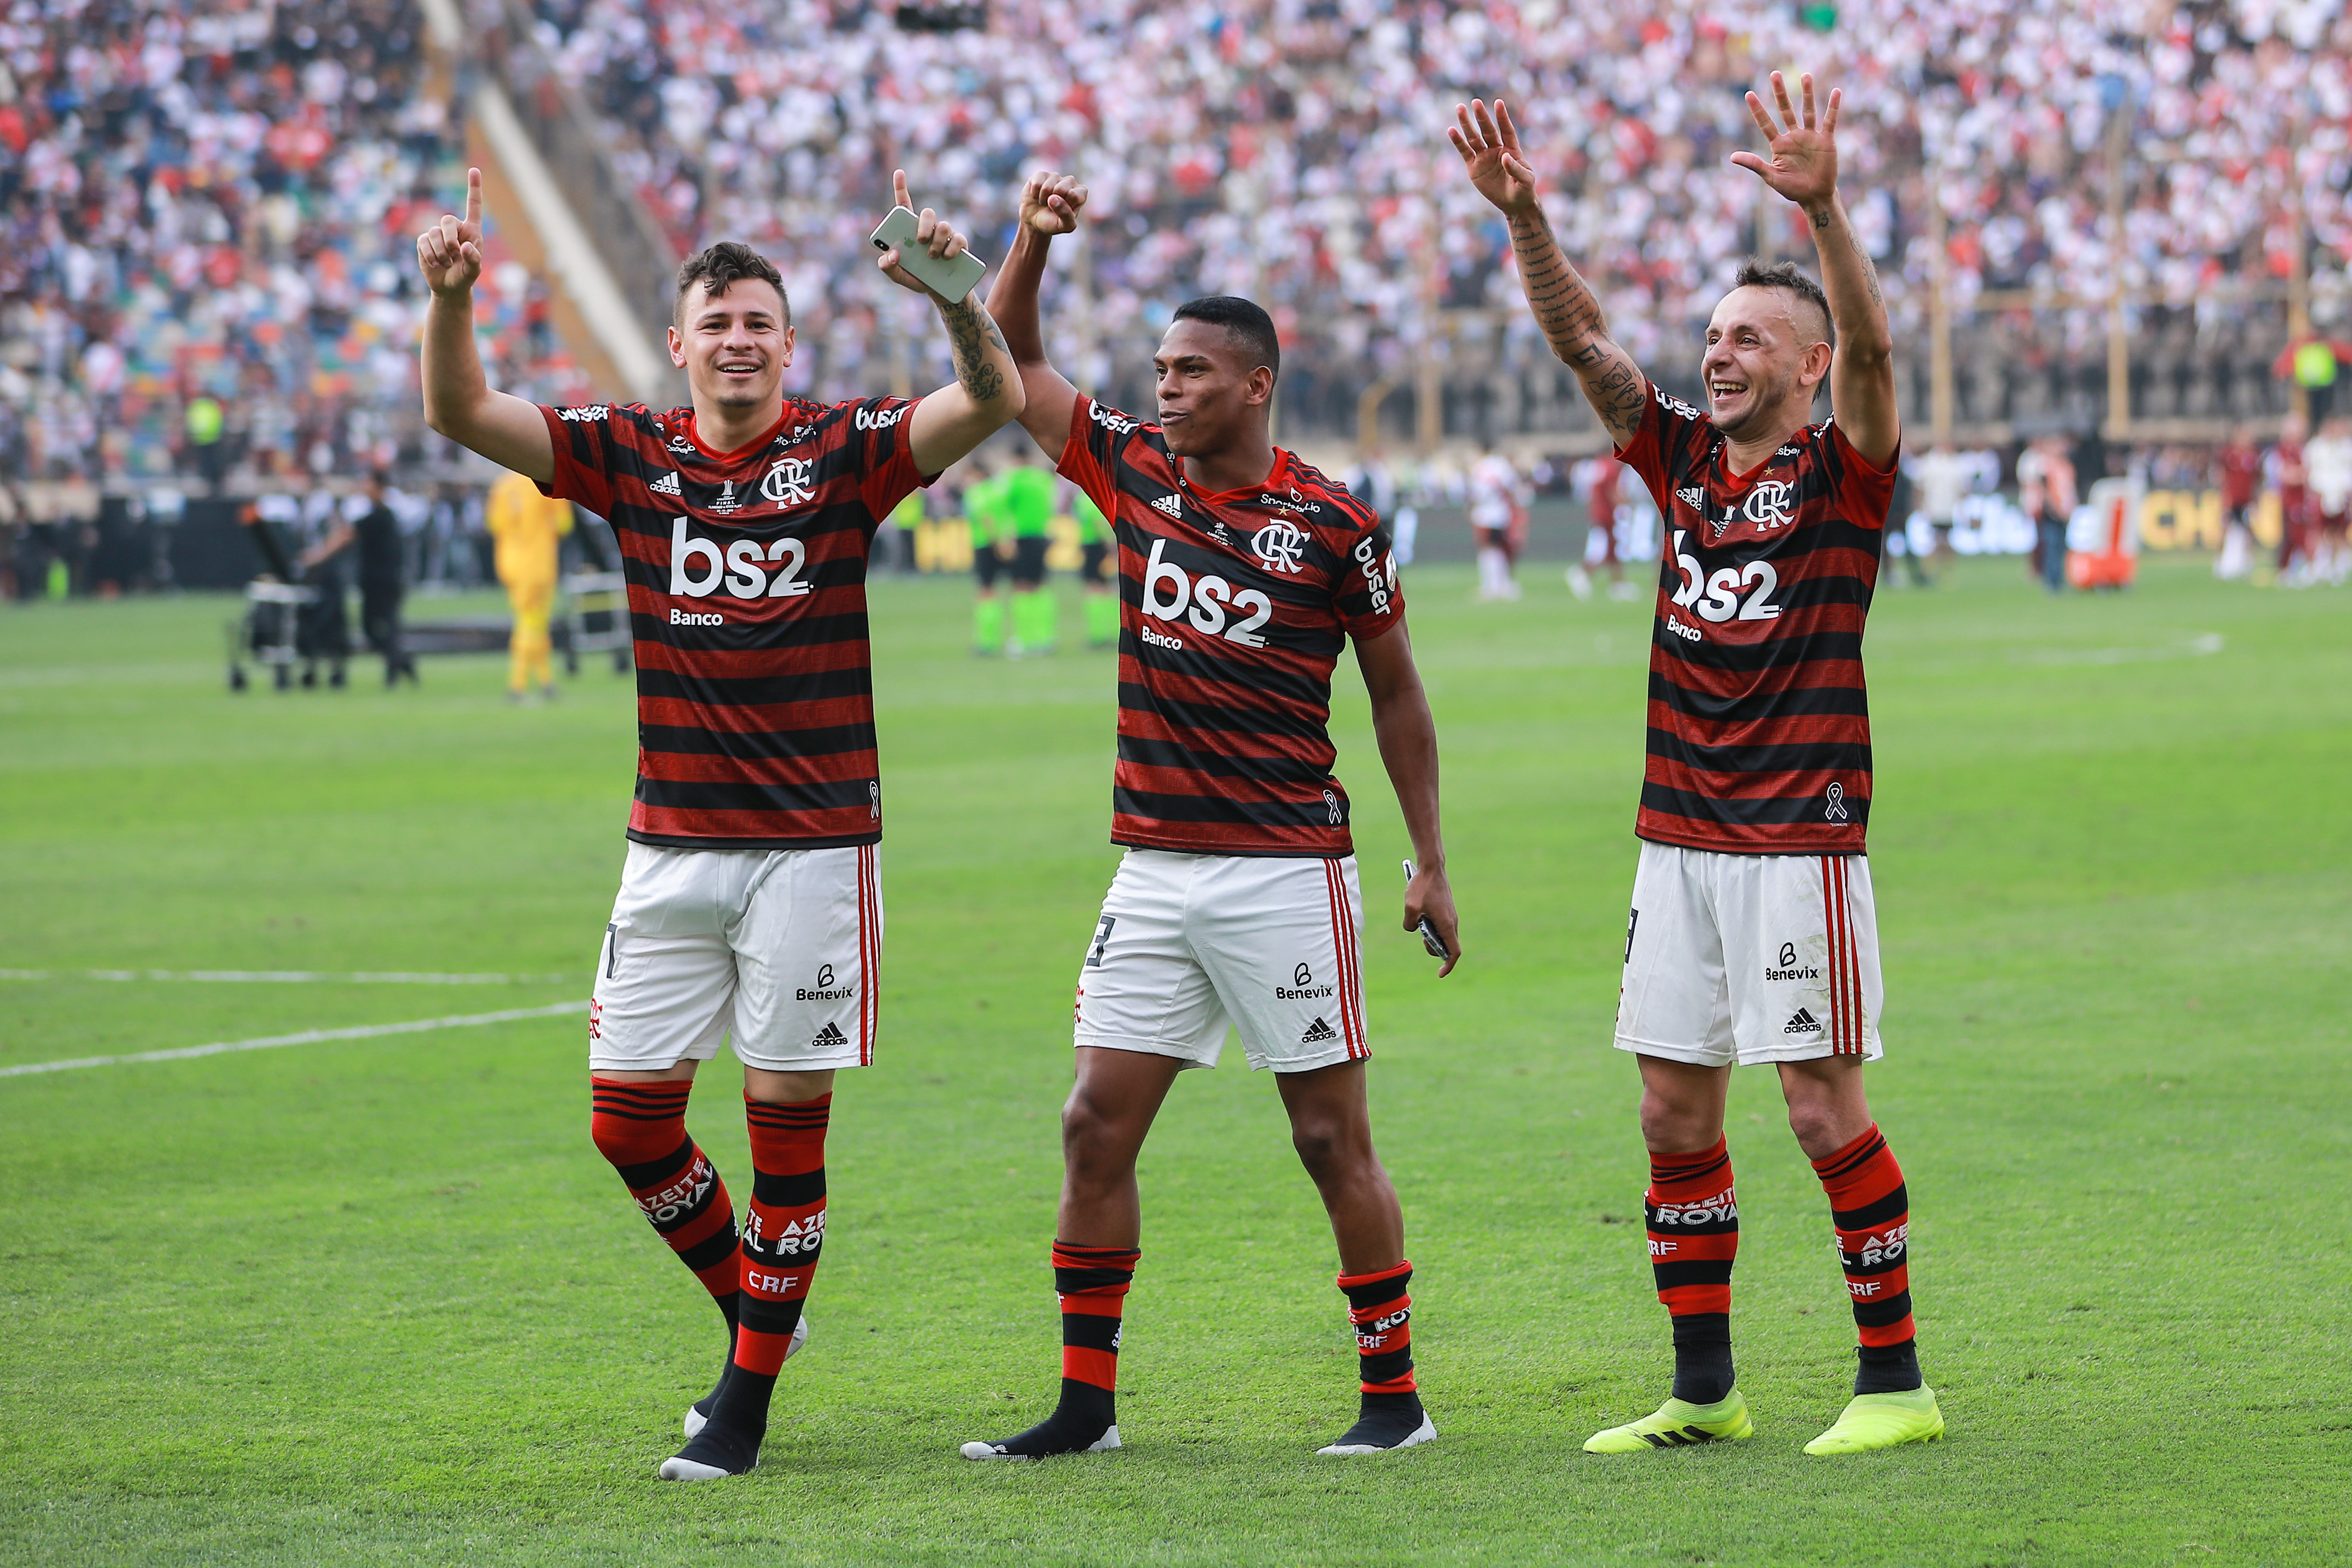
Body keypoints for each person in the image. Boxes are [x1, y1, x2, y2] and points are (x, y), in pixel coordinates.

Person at [415, 166, 1022, 1480]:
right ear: (678, 343)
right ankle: (762, 1315)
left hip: (812, 844)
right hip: (667, 841)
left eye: (760, 322)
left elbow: (992, 399)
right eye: (717, 322)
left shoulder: (846, 449)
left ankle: (740, 1408)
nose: (738, 340)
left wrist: (953, 297)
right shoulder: (628, 453)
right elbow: (458, 407)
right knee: (626, 1121)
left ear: (786, 346)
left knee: (779, 1122)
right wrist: (452, 300)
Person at [1456, 78, 1942, 1456]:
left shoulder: (1843, 475)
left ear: (1805, 366)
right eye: (1713, 335)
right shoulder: (1680, 465)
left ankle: (1895, 1385)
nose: (1717, 355)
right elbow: (1583, 342)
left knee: (1814, 1101)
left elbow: (1881, 362)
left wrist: (1824, 209)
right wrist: (1526, 218)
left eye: (1748, 341)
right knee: (1673, 1104)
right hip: (1676, 839)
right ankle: (1704, 1388)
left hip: (1798, 834)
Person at [962, 169, 1462, 1462]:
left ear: (1252, 383)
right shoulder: (1130, 471)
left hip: (1285, 871)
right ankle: (1084, 1405)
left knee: (1324, 1135)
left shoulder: (1332, 523)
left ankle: (1392, 1401)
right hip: (1152, 871)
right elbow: (1012, 357)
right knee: (1090, 1122)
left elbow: (1397, 694)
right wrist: (1030, 240)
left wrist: (1427, 858)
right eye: (1157, 367)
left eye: (1188, 369)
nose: (1164, 385)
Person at [307, 470, 419, 686]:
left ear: (379, 488)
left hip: (379, 581)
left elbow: (345, 536)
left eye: (368, 484)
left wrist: (316, 557)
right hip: (387, 580)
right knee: (388, 627)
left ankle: (399, 662)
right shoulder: (384, 514)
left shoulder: (378, 516)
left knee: (373, 628)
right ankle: (398, 665)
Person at [485, 468, 572, 701]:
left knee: (533, 622)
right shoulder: (547, 484)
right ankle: (518, 684)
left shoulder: (502, 486)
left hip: (510, 563)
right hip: (539, 564)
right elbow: (564, 524)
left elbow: (495, 524)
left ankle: (546, 681)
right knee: (531, 623)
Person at [999, 456, 1059, 656]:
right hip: (1041, 536)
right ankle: (1044, 639)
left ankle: (1024, 639)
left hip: (1022, 537)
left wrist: (1007, 536)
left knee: (1021, 587)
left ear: (1016, 460)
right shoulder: (1044, 479)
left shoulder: (1014, 479)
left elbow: (1004, 508)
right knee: (1040, 586)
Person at [1568, 453, 1633, 600]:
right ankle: (1582, 573)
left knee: (1612, 549)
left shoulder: (1599, 465)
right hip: (1604, 515)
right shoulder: (1609, 466)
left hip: (1599, 513)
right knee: (1600, 551)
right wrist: (1622, 504)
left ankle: (1618, 584)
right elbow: (1611, 490)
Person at [963, 456, 1011, 653]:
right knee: (1014, 589)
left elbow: (986, 519)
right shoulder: (998, 491)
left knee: (986, 592)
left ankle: (988, 641)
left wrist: (997, 541)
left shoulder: (977, 493)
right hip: (1003, 542)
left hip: (986, 544)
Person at [2016, 436, 2076, 594]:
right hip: (2051, 512)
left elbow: (2069, 490)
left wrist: (2070, 509)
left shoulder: (2066, 466)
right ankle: (2051, 581)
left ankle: (2060, 579)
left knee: (2062, 547)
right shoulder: (2045, 467)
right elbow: (2043, 489)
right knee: (2051, 545)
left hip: (2064, 512)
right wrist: (2054, 508)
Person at [1469, 442, 1524, 600]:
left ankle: (1491, 586)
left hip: (1484, 514)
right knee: (1501, 549)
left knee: (1487, 550)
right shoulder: (1502, 465)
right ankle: (1503, 584)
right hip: (1501, 513)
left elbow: (1475, 493)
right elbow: (1512, 488)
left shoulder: (1479, 467)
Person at [2301, 414, 2351, 586]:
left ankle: (2335, 567)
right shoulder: (2315, 447)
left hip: (2339, 495)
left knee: (2338, 532)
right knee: (2317, 531)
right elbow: (2308, 471)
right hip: (2321, 494)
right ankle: (2315, 565)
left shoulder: (2345, 447)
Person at [2270, 414, 2313, 586]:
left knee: (2302, 533)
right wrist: (2301, 474)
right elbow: (2285, 474)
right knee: (2292, 534)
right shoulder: (2283, 450)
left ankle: (2297, 567)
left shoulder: (2302, 449)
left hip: (2302, 498)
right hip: (2290, 499)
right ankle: (2286, 568)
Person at [2215, 426, 2262, 581]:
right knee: (2226, 529)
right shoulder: (2229, 454)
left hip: (2247, 500)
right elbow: (2222, 476)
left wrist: (2256, 500)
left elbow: (2257, 479)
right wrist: (2225, 498)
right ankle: (2219, 561)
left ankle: (2247, 562)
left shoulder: (2254, 454)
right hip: (2232, 499)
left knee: (2248, 530)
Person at [1073, 487, 1117, 648]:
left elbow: (1097, 524)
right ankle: (1111, 631)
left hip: (1094, 546)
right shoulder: (1100, 496)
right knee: (1106, 588)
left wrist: (1108, 545)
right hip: (1098, 546)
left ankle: (1098, 633)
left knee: (1094, 588)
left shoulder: (1085, 500)